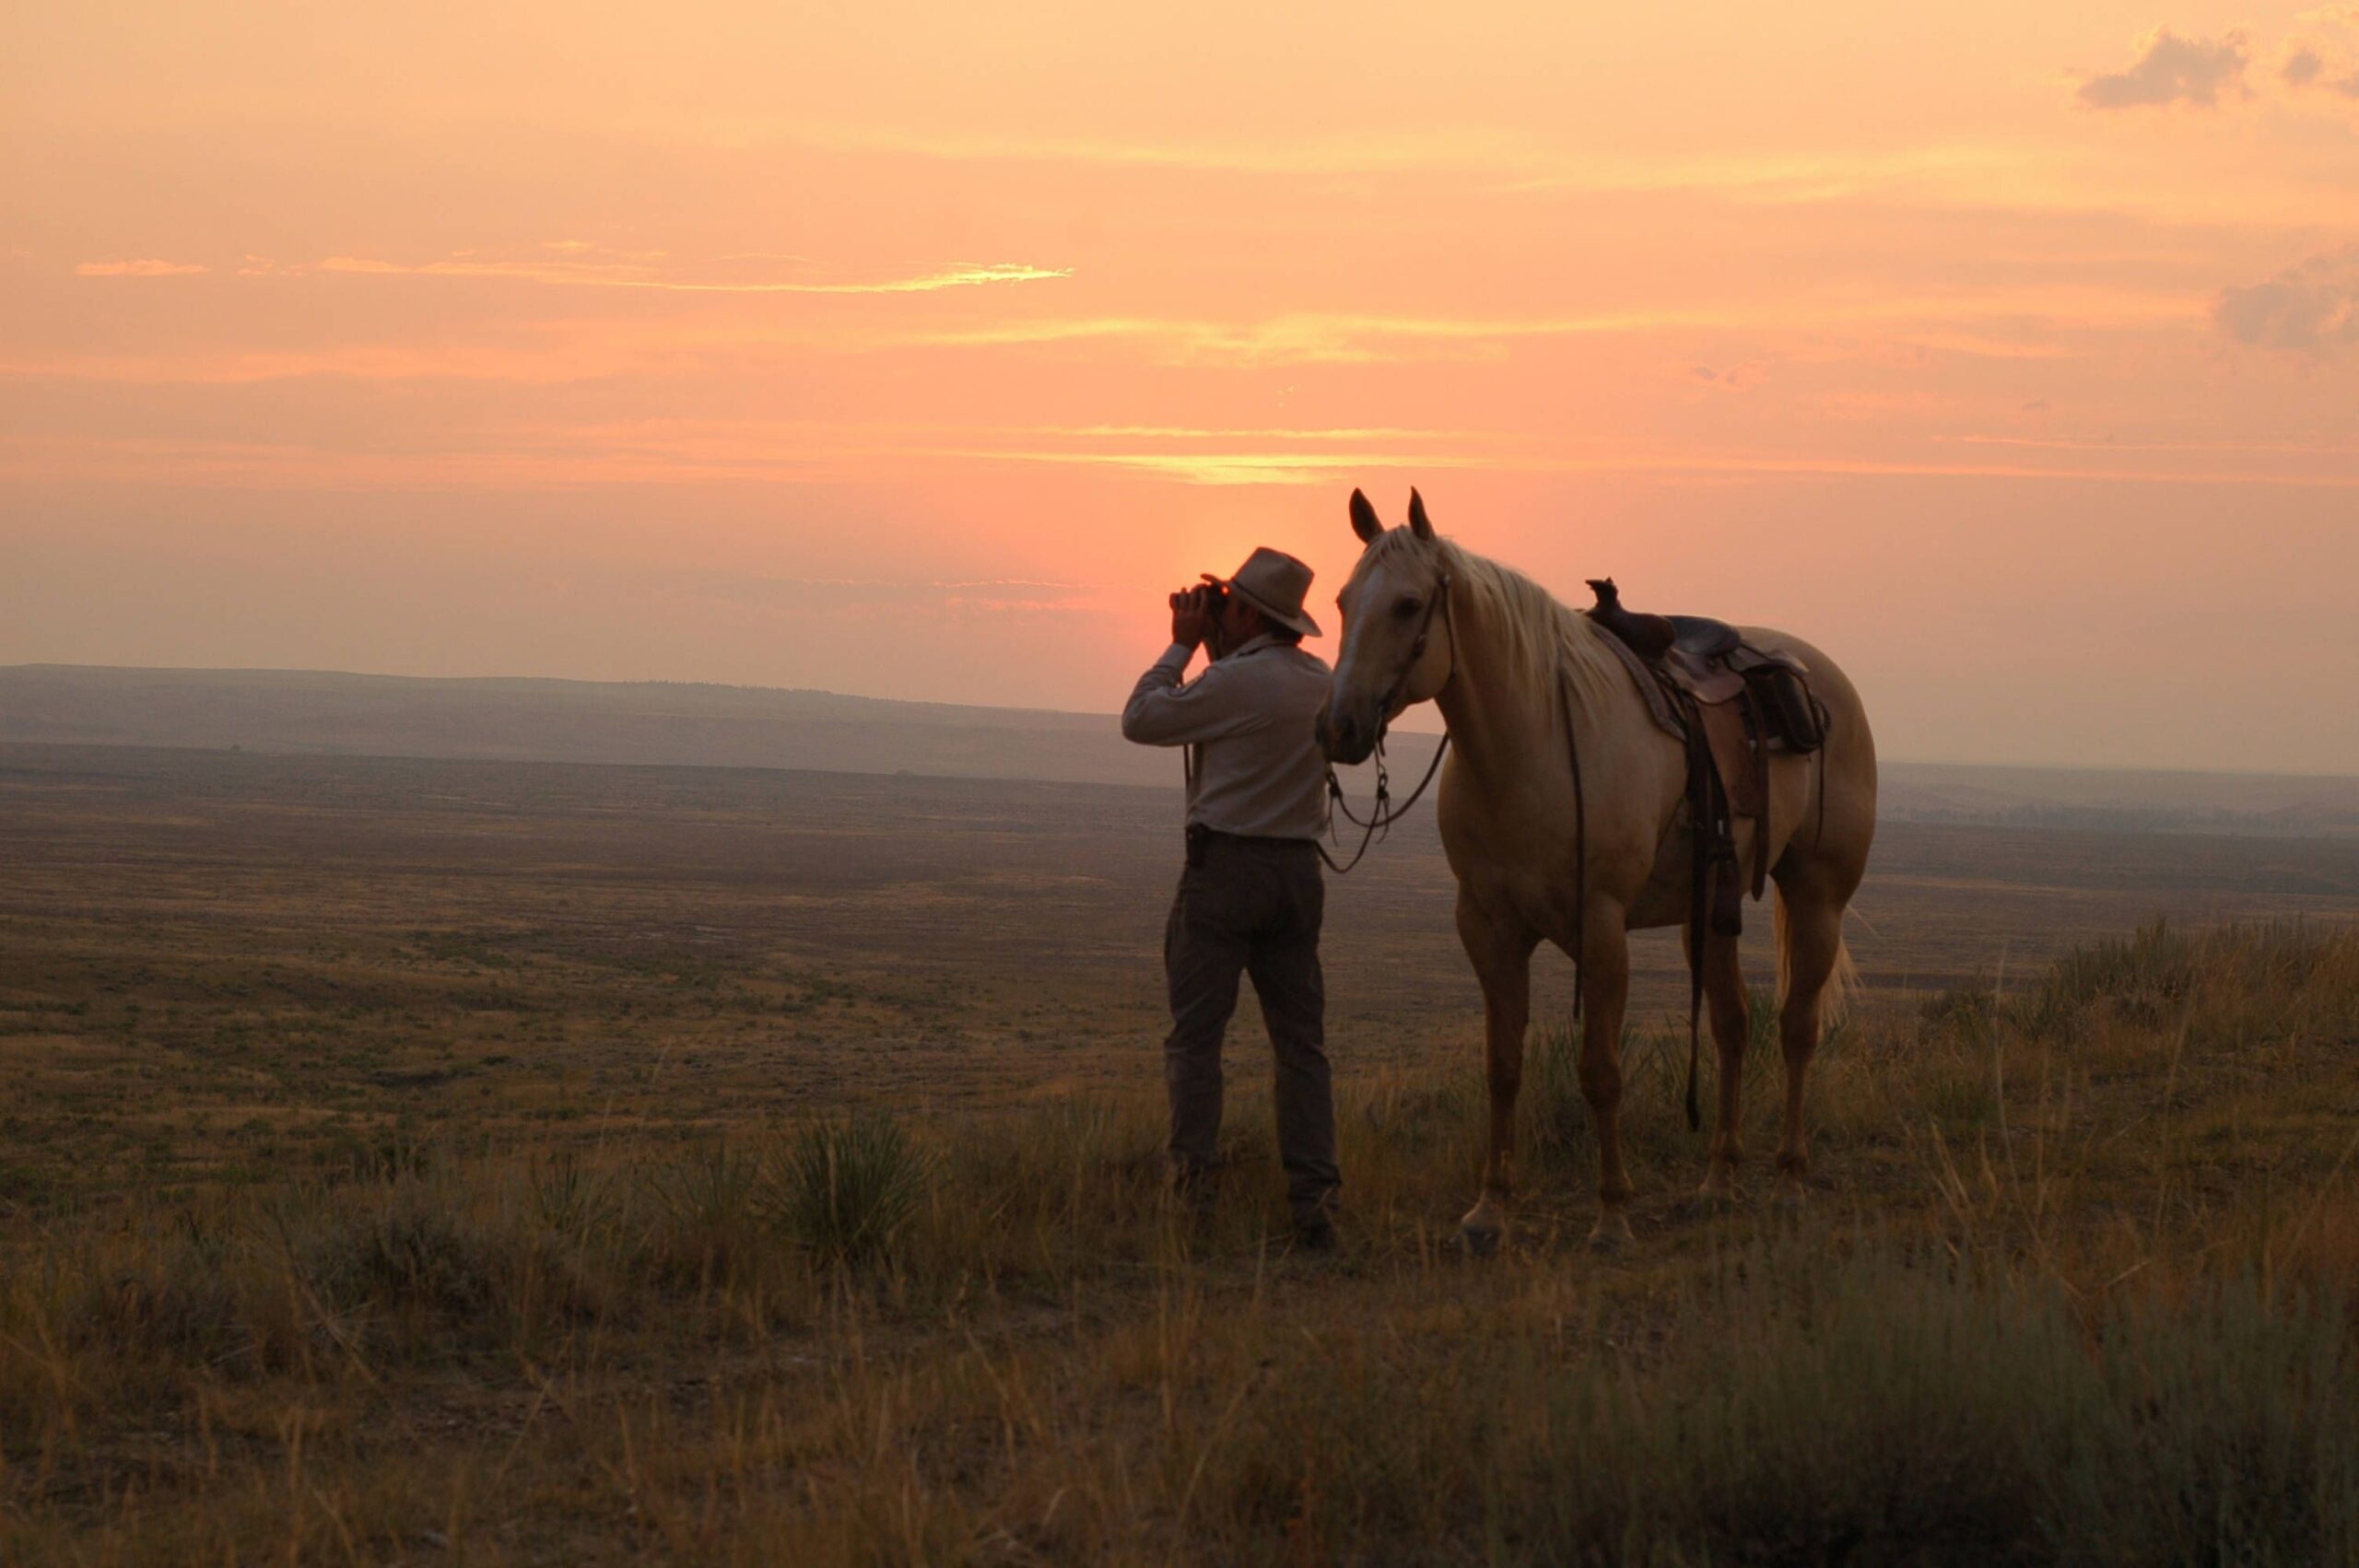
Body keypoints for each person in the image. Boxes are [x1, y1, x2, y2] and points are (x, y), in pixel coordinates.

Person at [1120, 546, 1339, 1249]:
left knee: (1196, 1043)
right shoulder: (1321, 682)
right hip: (1298, 877)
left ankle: (1193, 1202)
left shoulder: (1232, 683)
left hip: (1224, 873)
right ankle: (1314, 1204)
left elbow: (1143, 718)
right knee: (1302, 1047)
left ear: (1248, 612)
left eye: (1227, 603)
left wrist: (1182, 645)